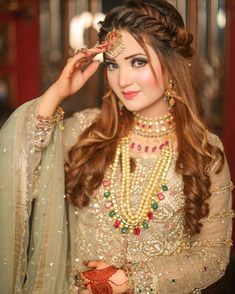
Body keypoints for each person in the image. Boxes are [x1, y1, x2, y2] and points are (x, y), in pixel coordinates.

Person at [0, 0, 234, 293]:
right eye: (112, 65)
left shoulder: (205, 150)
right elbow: (14, 172)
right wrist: (57, 93)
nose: (123, 80)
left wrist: (130, 280)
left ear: (172, 63)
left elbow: (212, 257)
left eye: (138, 61)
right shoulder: (85, 131)